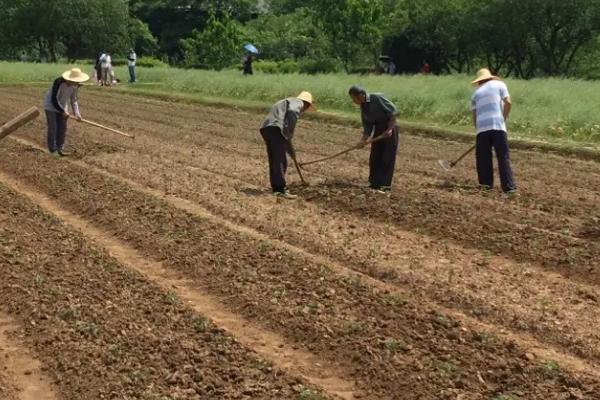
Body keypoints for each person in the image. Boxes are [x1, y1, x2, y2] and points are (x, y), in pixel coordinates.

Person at [259, 91, 316, 199]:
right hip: (276, 128)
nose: (304, 110)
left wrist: (291, 152)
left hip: (266, 128)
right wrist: (290, 132)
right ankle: (280, 189)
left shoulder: (287, 101)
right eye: (307, 108)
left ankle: (276, 188)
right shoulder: (298, 103)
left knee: (275, 158)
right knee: (281, 160)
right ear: (307, 104)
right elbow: (293, 112)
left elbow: (286, 140)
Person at [471, 68, 517, 195]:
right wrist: (503, 119)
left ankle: (485, 186)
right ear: (490, 77)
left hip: (482, 129)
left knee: (483, 158)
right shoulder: (500, 84)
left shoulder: (475, 94)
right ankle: (510, 188)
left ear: (479, 81)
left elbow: (474, 116)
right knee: (503, 157)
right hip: (498, 126)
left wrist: (480, 131)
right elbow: (508, 102)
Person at [349, 86, 399, 193]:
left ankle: (385, 186)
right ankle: (374, 184)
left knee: (387, 157)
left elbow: (393, 112)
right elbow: (368, 127)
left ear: (361, 95)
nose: (354, 101)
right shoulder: (363, 107)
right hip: (378, 129)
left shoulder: (376, 98)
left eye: (354, 99)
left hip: (389, 126)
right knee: (375, 157)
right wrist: (362, 141)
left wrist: (389, 129)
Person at [43, 68, 89, 157]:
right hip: (50, 106)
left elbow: (74, 100)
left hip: (63, 107)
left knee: (62, 128)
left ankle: (60, 148)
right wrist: (62, 111)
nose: (76, 83)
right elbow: (54, 99)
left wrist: (77, 114)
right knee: (53, 127)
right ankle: (52, 149)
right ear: (70, 79)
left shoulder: (75, 86)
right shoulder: (59, 82)